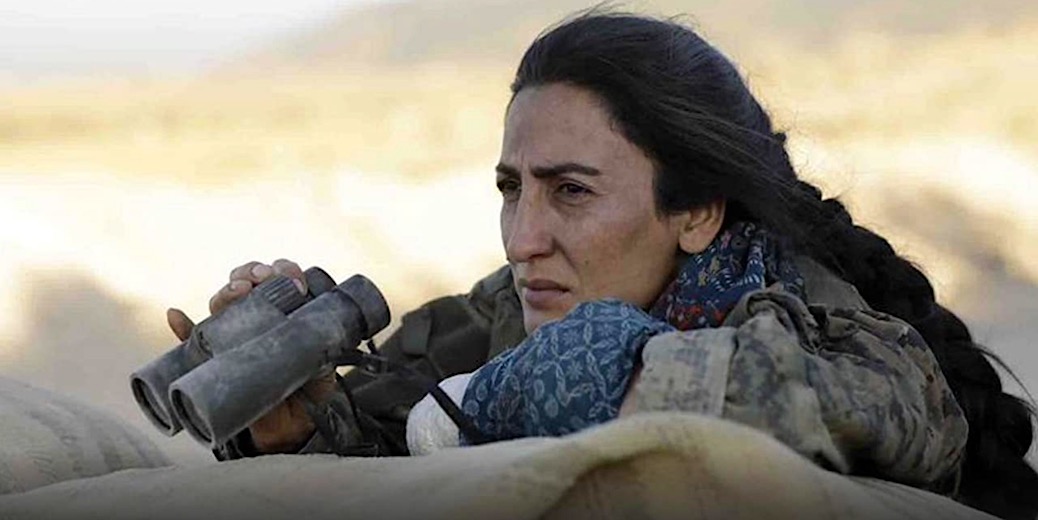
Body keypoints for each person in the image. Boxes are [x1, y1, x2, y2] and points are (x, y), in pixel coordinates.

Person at [166, 11, 1037, 520]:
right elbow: (388, 446)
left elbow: (893, 414)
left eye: (572, 192)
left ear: (697, 212)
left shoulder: (813, 316)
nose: (522, 239)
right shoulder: (501, 313)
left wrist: (604, 370)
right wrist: (294, 422)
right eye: (512, 188)